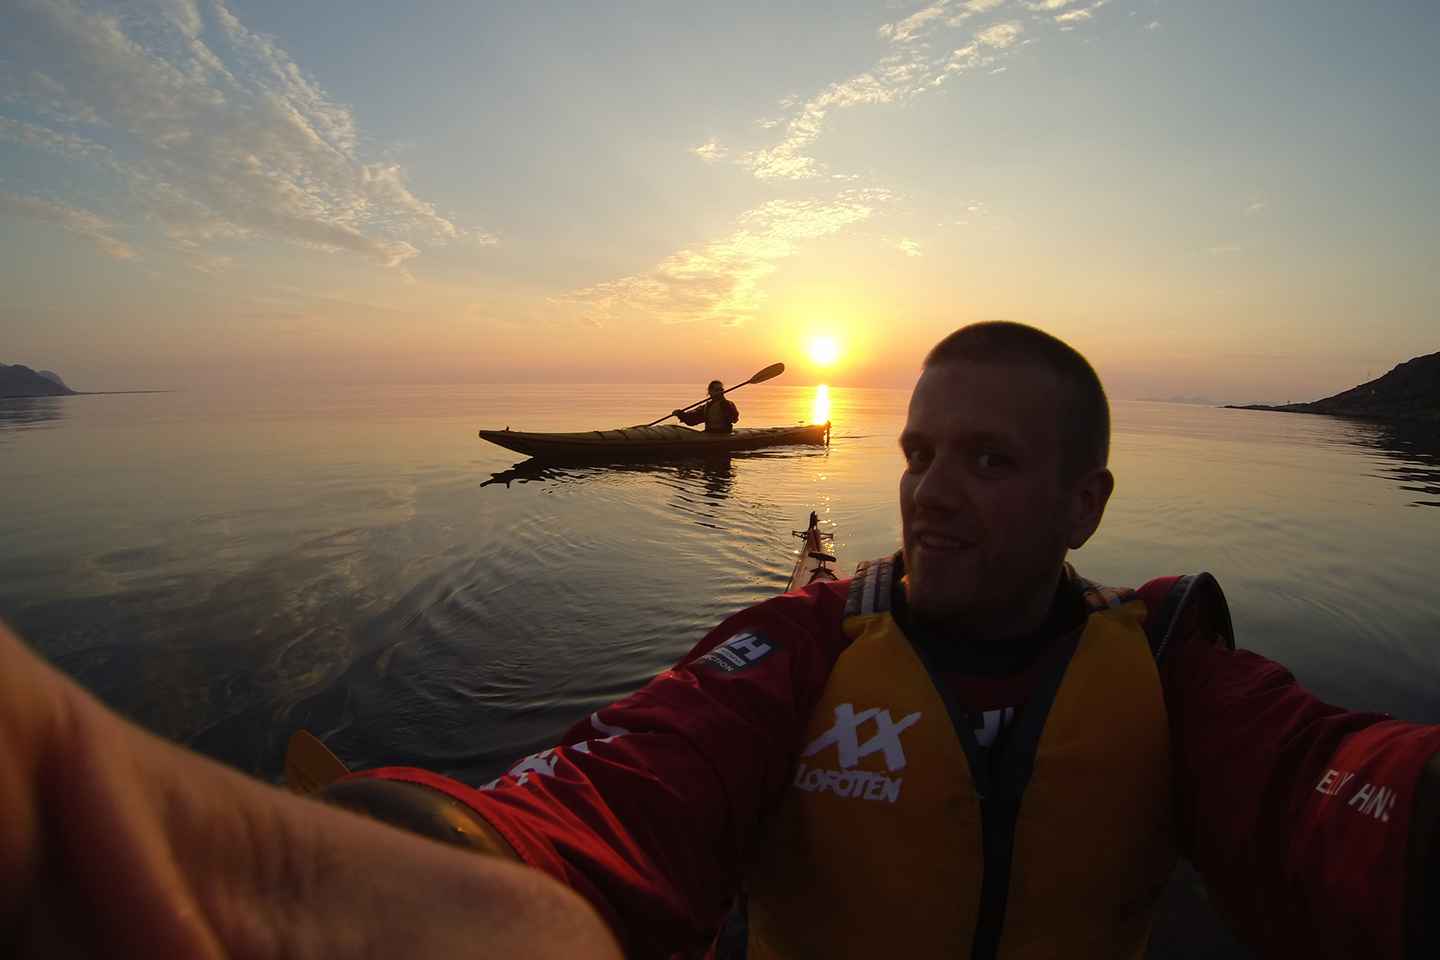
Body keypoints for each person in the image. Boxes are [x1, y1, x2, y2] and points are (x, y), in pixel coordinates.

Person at [2, 322, 1435, 959]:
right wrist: (420, 873)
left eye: (989, 463)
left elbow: (1336, 788)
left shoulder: (1176, 662)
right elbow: (613, 796)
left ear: (1088, 502)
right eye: (921, 450)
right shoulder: (803, 647)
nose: (930, 490)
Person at [674, 380, 740, 433]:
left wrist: (725, 404)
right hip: (710, 433)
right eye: (717, 390)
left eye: (721, 389)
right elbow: (692, 420)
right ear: (710, 392)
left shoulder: (728, 404)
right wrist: (681, 414)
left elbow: (734, 419)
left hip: (724, 434)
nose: (720, 392)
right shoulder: (706, 406)